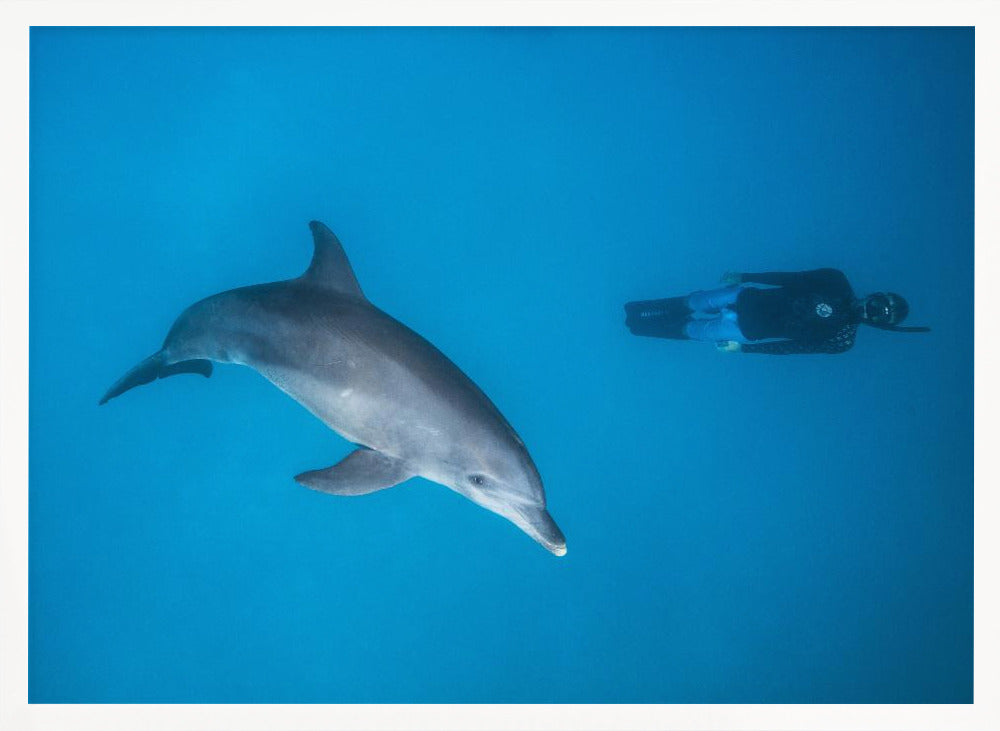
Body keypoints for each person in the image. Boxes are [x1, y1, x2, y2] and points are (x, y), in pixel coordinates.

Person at [624, 268, 929, 354]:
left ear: (877, 324)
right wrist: (747, 275)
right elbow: (791, 278)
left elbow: (793, 348)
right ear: (873, 296)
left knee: (693, 331)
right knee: (695, 302)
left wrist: (744, 349)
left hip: (747, 331)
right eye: (874, 304)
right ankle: (642, 311)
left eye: (875, 315)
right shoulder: (836, 281)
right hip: (746, 298)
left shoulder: (842, 339)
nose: (867, 310)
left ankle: (641, 327)